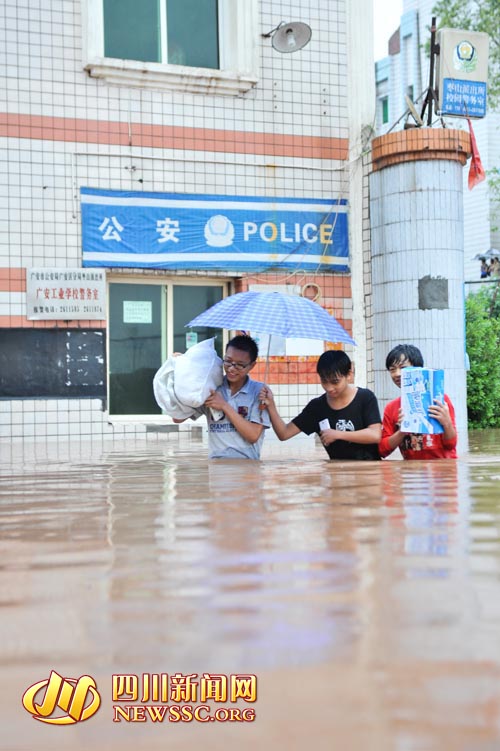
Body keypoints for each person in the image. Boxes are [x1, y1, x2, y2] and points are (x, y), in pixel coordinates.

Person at [259, 350, 382, 460]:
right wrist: (271, 405)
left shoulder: (365, 397)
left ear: (349, 375)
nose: (329, 388)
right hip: (337, 474)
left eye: (335, 381)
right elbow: (284, 433)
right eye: (324, 381)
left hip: (369, 471)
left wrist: (338, 434)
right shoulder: (317, 407)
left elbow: (375, 435)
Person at [174, 334, 270, 459]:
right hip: (217, 468)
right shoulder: (211, 387)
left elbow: (253, 436)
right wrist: (182, 371)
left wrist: (224, 405)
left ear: (252, 365)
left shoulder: (260, 392)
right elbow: (177, 418)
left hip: (247, 470)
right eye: (228, 361)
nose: (231, 368)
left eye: (240, 365)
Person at [379, 343, 457, 460]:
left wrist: (447, 424)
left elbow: (451, 445)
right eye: (392, 370)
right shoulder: (392, 408)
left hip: (442, 472)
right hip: (411, 473)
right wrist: (402, 430)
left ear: (418, 369)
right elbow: (382, 451)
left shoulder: (439, 400)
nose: (397, 374)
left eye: (403, 368)